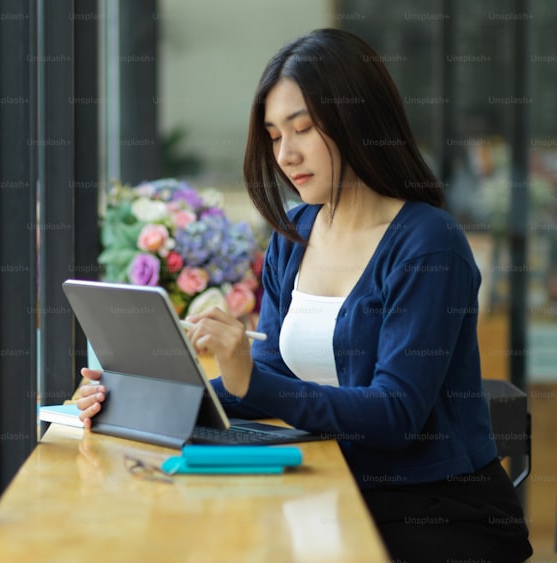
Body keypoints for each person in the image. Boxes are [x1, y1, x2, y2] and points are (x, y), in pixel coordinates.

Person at [76, 28, 532, 562]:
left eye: (304, 128)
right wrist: (141, 391)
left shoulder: (429, 243)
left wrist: (253, 381)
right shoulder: (295, 234)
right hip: (337, 487)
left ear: (358, 121)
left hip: (436, 512)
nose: (286, 154)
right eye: (273, 135)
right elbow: (268, 375)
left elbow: (396, 413)